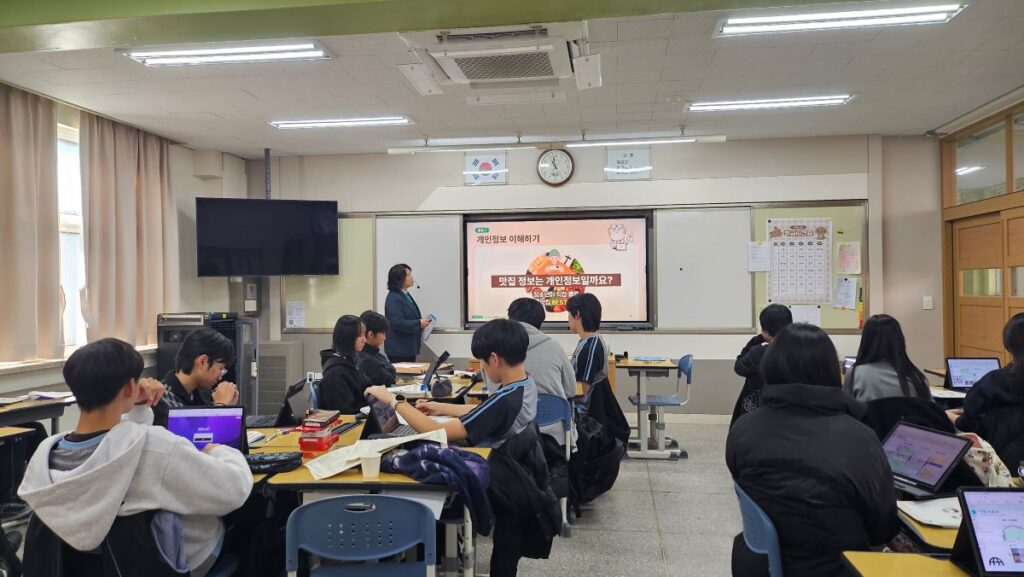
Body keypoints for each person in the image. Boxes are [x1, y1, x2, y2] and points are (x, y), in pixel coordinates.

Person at [18, 338, 252, 574]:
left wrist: (136, 407)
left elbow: (115, 443)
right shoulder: (155, 449)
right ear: (131, 387)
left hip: (88, 568)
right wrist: (221, 450)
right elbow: (234, 490)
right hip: (179, 562)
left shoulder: (45, 454)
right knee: (255, 527)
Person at [366, 319, 553, 577]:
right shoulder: (524, 384)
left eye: (483, 363)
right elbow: (485, 411)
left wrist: (395, 402)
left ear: (494, 359)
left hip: (498, 480)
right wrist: (442, 407)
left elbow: (437, 431)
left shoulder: (507, 400)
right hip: (514, 479)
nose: (484, 369)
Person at [727, 323, 898, 577]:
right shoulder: (859, 437)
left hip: (757, 564)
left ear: (770, 366)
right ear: (830, 369)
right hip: (837, 567)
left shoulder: (743, 429)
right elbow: (882, 528)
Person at [948, 313, 1024, 467]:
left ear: (1009, 344)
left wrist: (948, 415)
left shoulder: (994, 382)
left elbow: (969, 425)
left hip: (1002, 470)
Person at [507, 297, 577, 448]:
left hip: (513, 434)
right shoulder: (554, 347)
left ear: (510, 319)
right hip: (555, 436)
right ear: (540, 322)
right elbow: (571, 389)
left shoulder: (498, 349)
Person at [153, 327, 240, 427]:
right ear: (202, 361)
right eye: (220, 369)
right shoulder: (163, 399)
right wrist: (221, 406)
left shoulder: (200, 394)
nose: (220, 377)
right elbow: (196, 437)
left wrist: (229, 409)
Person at [731, 304, 792, 426]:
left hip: (757, 410)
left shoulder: (758, 353)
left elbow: (739, 367)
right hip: (789, 411)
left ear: (765, 331)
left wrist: (757, 339)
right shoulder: (800, 350)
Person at [846, 314, 930, 402]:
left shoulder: (855, 374)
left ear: (866, 341)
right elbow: (930, 410)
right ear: (899, 341)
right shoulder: (916, 377)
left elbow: (848, 410)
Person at [320, 314, 371, 413]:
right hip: (351, 423)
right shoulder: (335, 373)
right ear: (348, 337)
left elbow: (367, 387)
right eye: (360, 335)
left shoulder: (351, 361)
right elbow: (345, 411)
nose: (365, 340)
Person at [383, 263, 431, 363]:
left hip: (408, 348)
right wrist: (418, 323)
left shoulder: (404, 294)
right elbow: (397, 323)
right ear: (399, 278)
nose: (412, 277)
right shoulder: (394, 298)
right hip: (399, 350)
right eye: (408, 275)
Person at [566, 293, 607, 397]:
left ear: (577, 314)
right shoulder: (589, 341)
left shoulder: (590, 349)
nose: (568, 318)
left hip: (584, 411)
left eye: (569, 313)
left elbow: (582, 391)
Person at [357, 310, 397, 387]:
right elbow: (390, 382)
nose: (384, 338)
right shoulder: (367, 361)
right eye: (383, 333)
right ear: (370, 334)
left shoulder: (376, 355)